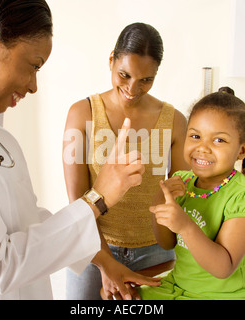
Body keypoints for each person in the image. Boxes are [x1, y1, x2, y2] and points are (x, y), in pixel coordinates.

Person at [0, 0, 147, 300]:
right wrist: (97, 199)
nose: (34, 85)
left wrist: (104, 262)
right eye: (33, 66)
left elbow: (26, 219)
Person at [63, 22, 188, 300]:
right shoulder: (81, 114)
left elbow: (184, 194)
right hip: (91, 248)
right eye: (124, 74)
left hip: (156, 251)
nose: (133, 88)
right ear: (111, 60)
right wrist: (107, 265)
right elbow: (77, 203)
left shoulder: (175, 121)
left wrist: (231, 182)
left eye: (146, 80)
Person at [137, 91, 245, 299]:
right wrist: (160, 200)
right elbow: (167, 243)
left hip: (219, 296)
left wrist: (185, 225)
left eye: (219, 140)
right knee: (117, 295)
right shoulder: (182, 180)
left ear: (242, 150)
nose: (202, 148)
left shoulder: (243, 196)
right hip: (177, 286)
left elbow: (224, 267)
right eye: (195, 136)